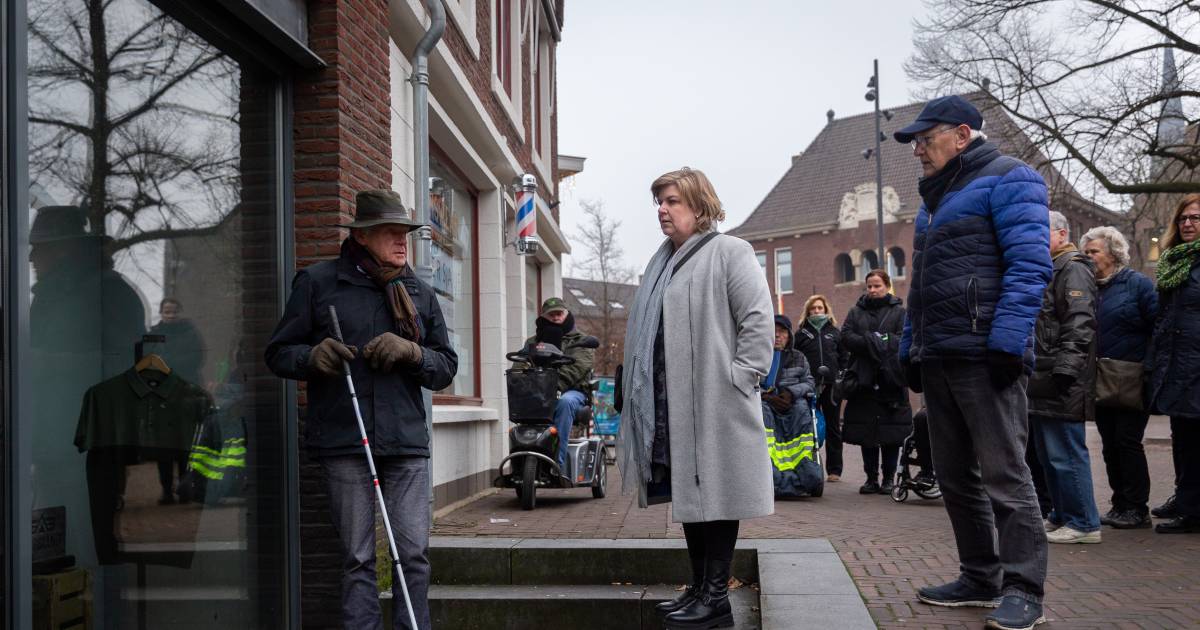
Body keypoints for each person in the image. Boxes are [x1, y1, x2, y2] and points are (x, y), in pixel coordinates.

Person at [265, 190, 458, 629]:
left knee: (412, 553)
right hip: (343, 440)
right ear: (365, 236)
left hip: (406, 444)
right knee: (357, 557)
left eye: (405, 233)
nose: (402, 242)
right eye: (392, 233)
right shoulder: (317, 283)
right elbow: (278, 353)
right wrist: (312, 357)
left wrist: (412, 353)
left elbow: (445, 367)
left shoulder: (418, 293)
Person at [895, 95, 1053, 630]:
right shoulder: (933, 201)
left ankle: (1024, 589)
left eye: (925, 137)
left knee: (1005, 476)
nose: (917, 148)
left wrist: (1007, 343)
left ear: (962, 135)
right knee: (955, 477)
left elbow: (1030, 266)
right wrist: (910, 348)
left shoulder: (1013, 178)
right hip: (939, 355)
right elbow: (919, 288)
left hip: (986, 357)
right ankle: (979, 575)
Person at [620, 167, 774, 629]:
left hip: (715, 399)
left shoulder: (730, 252)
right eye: (659, 203)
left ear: (699, 204)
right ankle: (700, 588)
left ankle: (716, 598)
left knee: (718, 494)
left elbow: (758, 320)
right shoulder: (663, 262)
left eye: (672, 201)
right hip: (672, 401)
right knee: (689, 493)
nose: (663, 211)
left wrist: (740, 378)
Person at [1028, 211, 1102, 544]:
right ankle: (1061, 515)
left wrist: (1066, 369)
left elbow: (1080, 321)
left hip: (1061, 375)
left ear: (1061, 234)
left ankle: (1084, 523)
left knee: (1066, 452)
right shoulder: (1053, 268)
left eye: (1041, 231)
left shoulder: (1073, 268)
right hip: (1044, 373)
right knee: (1048, 453)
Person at [1081, 225, 1157, 529]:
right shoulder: (1088, 286)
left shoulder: (1137, 284)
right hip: (1100, 379)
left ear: (1113, 253)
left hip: (1130, 377)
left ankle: (1138, 508)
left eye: (1094, 251)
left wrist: (1148, 367)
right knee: (1109, 444)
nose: (1088, 257)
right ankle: (1119, 504)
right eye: (1086, 252)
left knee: (1128, 442)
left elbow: (1156, 327)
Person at [1146, 193, 1200, 534]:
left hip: (1197, 362)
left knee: (1195, 439)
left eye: (1195, 218)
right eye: (1183, 218)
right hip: (1176, 361)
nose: (1188, 223)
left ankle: (1193, 511)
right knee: (1181, 434)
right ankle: (1185, 498)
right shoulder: (1174, 262)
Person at [840, 269, 912, 496]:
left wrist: (879, 342)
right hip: (863, 380)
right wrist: (873, 342)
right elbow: (846, 337)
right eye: (869, 286)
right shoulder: (855, 312)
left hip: (891, 379)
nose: (872, 290)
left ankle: (889, 478)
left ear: (887, 286)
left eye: (877, 285)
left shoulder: (900, 312)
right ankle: (871, 478)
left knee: (891, 433)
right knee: (867, 432)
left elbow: (903, 338)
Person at [523, 297, 595, 471]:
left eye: (559, 314)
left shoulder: (580, 340)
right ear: (544, 317)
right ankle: (524, 459)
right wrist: (523, 380)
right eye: (551, 314)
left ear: (566, 314)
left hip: (573, 391)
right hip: (541, 389)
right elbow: (522, 362)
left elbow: (579, 367)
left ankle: (557, 464)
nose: (555, 317)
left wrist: (555, 385)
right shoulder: (533, 342)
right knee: (522, 403)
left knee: (565, 402)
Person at [148, 297, 207, 504]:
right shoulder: (153, 334)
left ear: (180, 312)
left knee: (185, 442)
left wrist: (169, 364)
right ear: (161, 312)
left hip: (186, 395)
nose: (170, 315)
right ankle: (166, 490)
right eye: (167, 311)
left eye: (174, 311)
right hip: (161, 397)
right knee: (163, 446)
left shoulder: (190, 333)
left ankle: (184, 487)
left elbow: (197, 359)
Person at [762, 314, 819, 497]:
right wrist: (766, 396)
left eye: (782, 332)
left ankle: (805, 469)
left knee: (802, 409)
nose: (777, 336)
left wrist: (791, 393)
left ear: (789, 335)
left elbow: (809, 383)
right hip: (768, 402)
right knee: (762, 413)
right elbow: (750, 383)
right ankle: (770, 471)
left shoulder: (798, 357)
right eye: (774, 332)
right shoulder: (760, 357)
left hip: (793, 401)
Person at [795, 294, 845, 481]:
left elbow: (844, 357)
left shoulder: (834, 332)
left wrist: (841, 376)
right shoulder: (801, 334)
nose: (817, 311)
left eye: (820, 308)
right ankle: (809, 465)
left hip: (831, 386)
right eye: (813, 309)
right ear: (808, 311)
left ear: (826, 310)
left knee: (833, 427)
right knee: (807, 426)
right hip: (809, 385)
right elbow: (795, 357)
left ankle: (834, 470)